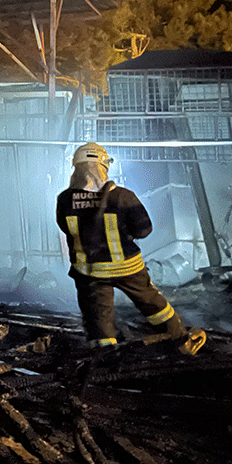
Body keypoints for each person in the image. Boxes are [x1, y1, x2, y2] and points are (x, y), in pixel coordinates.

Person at [55, 142, 205, 354]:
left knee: (98, 315)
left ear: (76, 168)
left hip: (89, 272)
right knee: (152, 303)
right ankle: (181, 341)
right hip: (127, 267)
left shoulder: (64, 200)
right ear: (104, 167)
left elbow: (65, 227)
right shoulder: (123, 196)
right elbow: (145, 229)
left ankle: (106, 357)